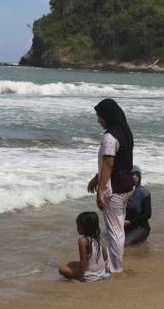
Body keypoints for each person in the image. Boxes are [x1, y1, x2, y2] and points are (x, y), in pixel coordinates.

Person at [87, 98, 134, 273]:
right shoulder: (124, 132)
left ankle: (115, 268)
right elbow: (118, 161)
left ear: (106, 116)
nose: (98, 120)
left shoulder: (110, 137)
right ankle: (116, 263)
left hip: (115, 189)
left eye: (99, 116)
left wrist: (100, 189)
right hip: (127, 185)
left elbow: (109, 163)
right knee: (118, 227)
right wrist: (96, 177)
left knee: (114, 231)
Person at [59, 212, 110, 282]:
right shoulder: (98, 238)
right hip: (101, 272)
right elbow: (105, 257)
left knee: (62, 269)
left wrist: (81, 278)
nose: (77, 228)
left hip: (91, 276)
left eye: (78, 226)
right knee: (71, 263)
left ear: (86, 227)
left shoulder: (82, 241)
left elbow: (83, 261)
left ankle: (84, 276)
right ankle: (96, 273)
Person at [124, 166, 152, 245]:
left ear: (140, 177)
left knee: (125, 244)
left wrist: (130, 222)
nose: (134, 177)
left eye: (137, 175)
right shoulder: (122, 192)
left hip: (140, 227)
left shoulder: (144, 193)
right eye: (132, 175)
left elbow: (147, 215)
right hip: (125, 226)